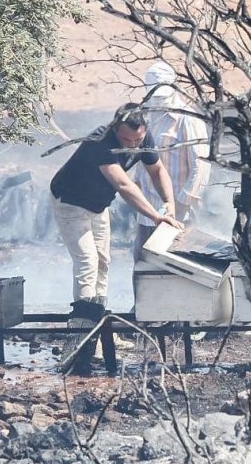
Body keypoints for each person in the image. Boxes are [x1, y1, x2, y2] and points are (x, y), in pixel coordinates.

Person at [50, 103, 183, 362]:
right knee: (88, 262)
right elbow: (123, 185)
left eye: (138, 139)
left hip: (98, 206)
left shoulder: (143, 138)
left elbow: (157, 170)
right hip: (70, 202)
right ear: (114, 129)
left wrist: (170, 204)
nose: (133, 145)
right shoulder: (100, 142)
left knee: (104, 262)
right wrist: (155, 216)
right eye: (126, 139)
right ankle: (83, 337)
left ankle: (98, 331)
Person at [134, 61, 210, 259]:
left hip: (179, 213)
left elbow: (201, 165)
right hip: (147, 211)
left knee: (178, 266)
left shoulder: (188, 118)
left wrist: (182, 203)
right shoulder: (146, 115)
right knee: (143, 266)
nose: (158, 100)